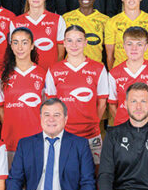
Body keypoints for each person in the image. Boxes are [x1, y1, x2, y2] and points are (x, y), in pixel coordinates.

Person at [45, 25, 111, 165]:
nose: (74, 45)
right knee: (66, 172)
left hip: (91, 134)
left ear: (86, 42)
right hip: (64, 133)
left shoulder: (98, 68)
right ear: (64, 43)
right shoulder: (54, 70)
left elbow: (102, 102)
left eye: (79, 40)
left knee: (94, 172)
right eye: (69, 40)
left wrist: (93, 122)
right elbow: (51, 105)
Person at [0, 27, 46, 156]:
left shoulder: (43, 74)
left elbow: (47, 108)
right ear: (11, 46)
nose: (20, 47)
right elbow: (1, 108)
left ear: (32, 45)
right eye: (15, 42)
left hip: (36, 139)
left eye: (24, 42)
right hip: (11, 141)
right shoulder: (1, 76)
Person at [108, 26, 148, 127]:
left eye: (139, 44)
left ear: (146, 47)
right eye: (129, 44)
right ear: (124, 46)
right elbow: (112, 104)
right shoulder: (114, 73)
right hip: (123, 129)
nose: (134, 48)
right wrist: (123, 124)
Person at [13, 0, 66, 71]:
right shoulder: (16, 22)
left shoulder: (58, 20)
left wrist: (52, 73)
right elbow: (14, 53)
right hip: (27, 75)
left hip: (50, 75)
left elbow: (61, 53)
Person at [62, 0, 110, 65]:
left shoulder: (105, 20)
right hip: (71, 67)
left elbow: (109, 51)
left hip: (95, 68)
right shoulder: (66, 18)